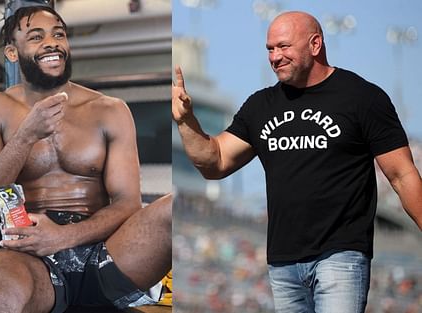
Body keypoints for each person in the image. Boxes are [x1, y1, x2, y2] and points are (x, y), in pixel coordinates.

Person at [172, 10, 421, 313]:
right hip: (283, 263)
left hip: (340, 256)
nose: (275, 57)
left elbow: (402, 176)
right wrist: (186, 122)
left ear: (315, 44)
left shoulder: (362, 98)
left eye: (284, 46)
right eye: (270, 49)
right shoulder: (260, 106)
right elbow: (215, 162)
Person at [0, 6, 171, 313]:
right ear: (12, 52)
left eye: (58, 34)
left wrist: (62, 236)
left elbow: (127, 204)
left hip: (108, 250)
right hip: (30, 253)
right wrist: (25, 137)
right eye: (36, 36)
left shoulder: (109, 109)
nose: (52, 43)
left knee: (178, 207)